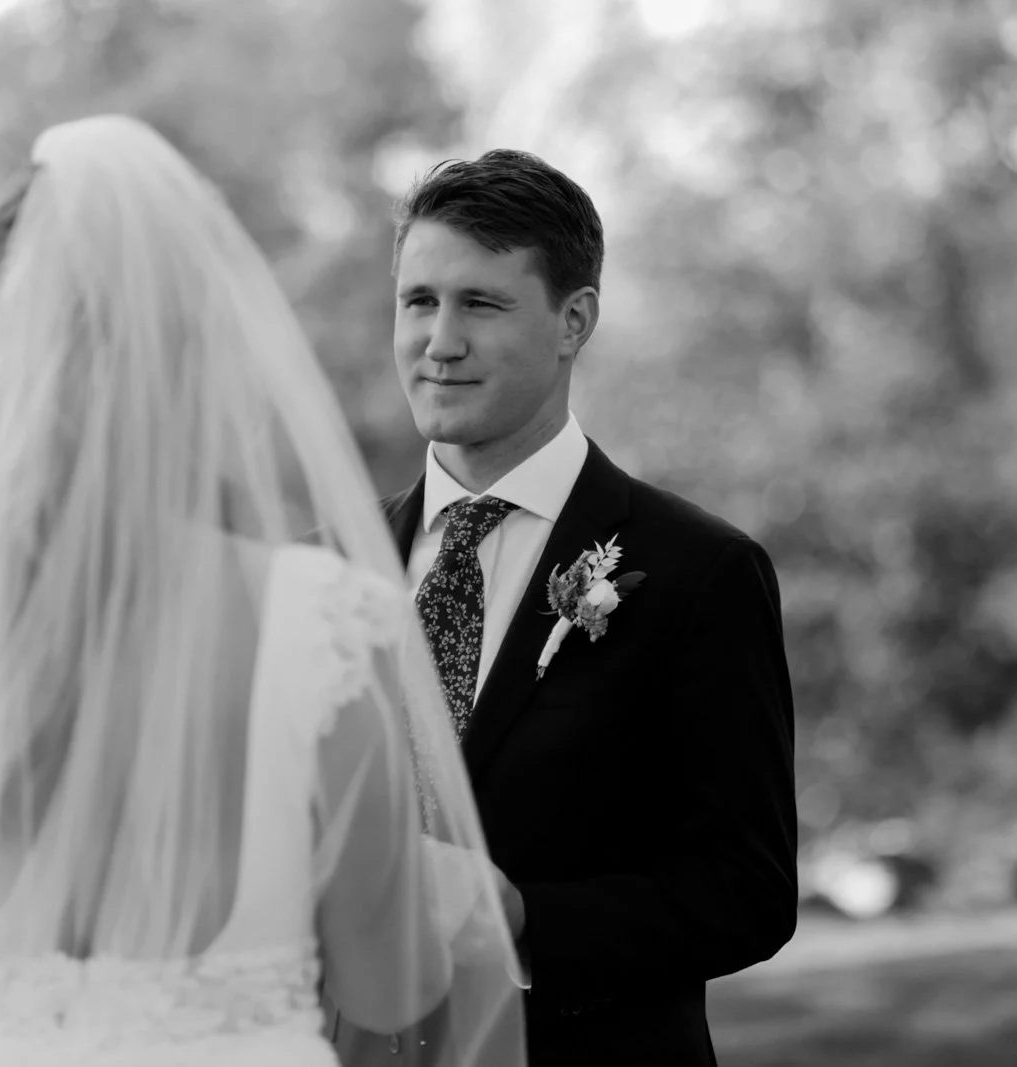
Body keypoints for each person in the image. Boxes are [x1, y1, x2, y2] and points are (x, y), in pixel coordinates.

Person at [0, 115, 526, 1067]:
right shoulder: (324, 627)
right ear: (197, 355)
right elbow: (389, 991)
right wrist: (451, 895)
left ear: (1, 337)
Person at [334, 149, 798, 1066]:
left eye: (483, 304)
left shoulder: (699, 571)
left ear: (572, 320)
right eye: (419, 301)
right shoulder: (324, 569)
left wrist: (523, 919)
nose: (440, 340)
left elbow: (746, 890)